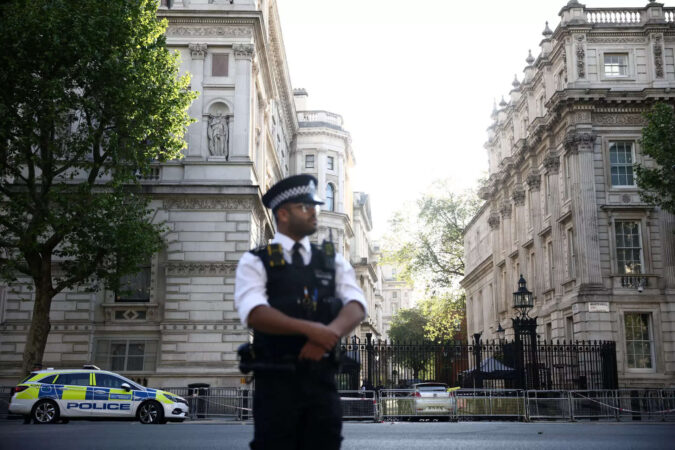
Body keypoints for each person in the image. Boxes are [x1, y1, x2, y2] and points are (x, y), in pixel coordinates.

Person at [235, 174, 367, 450]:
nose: (313, 213)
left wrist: (327, 335)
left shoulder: (332, 261)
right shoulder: (255, 261)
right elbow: (255, 312)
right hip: (276, 384)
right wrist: (311, 330)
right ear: (283, 213)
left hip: (321, 384)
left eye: (314, 207)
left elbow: (356, 304)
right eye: (305, 207)